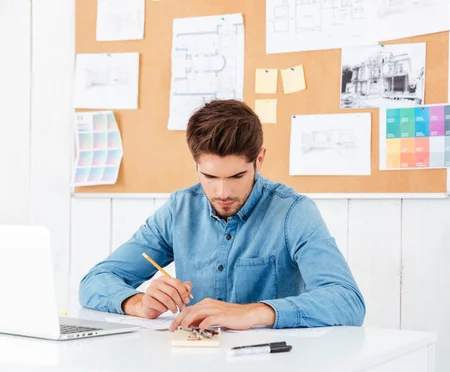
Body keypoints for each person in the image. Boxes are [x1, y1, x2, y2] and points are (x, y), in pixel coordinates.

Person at [79, 99, 366, 331]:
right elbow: (96, 280)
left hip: (275, 369)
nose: (223, 192)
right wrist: (137, 303)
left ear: (260, 159)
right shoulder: (179, 210)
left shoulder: (293, 212)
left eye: (237, 175)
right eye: (210, 176)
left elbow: (347, 300)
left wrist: (254, 313)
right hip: (197, 366)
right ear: (196, 166)